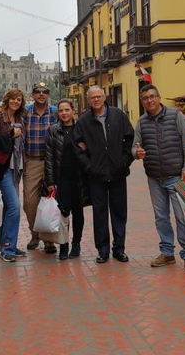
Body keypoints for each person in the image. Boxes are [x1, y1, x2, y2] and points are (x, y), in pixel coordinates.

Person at [132, 85, 185, 273]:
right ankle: (167, 252)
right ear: (142, 101)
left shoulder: (176, 116)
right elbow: (134, 147)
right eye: (145, 98)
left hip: (177, 177)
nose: (149, 100)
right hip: (154, 177)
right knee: (161, 217)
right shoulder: (142, 122)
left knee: (182, 216)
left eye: (152, 96)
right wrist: (137, 153)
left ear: (159, 98)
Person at [73, 85, 134, 264]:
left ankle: (119, 249)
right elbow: (77, 147)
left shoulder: (118, 116)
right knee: (99, 213)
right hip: (96, 175)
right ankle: (103, 249)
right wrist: (89, 167)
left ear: (104, 96)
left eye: (99, 96)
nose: (96, 100)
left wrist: (125, 161)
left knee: (119, 212)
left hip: (118, 173)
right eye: (92, 98)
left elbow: (130, 139)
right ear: (88, 100)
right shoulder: (83, 121)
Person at [0, 88, 27, 262]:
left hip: (15, 168)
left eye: (19, 99)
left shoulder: (19, 118)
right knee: (15, 207)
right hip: (2, 169)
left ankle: (8, 244)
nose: (16, 102)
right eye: (13, 99)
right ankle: (7, 248)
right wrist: (11, 133)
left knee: (10, 207)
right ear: (6, 99)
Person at [44, 99, 88, 260]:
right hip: (61, 178)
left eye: (67, 110)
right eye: (61, 111)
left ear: (73, 111)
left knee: (78, 211)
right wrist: (50, 181)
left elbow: (91, 148)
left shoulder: (81, 129)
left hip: (80, 177)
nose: (64, 113)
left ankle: (76, 243)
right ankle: (63, 244)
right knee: (63, 212)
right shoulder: (53, 130)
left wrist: (86, 147)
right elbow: (48, 158)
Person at [22, 82, 58, 253]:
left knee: (52, 200)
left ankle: (48, 240)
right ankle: (34, 233)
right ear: (32, 95)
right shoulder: (25, 112)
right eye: (38, 92)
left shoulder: (56, 112)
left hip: (53, 162)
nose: (41, 94)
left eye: (45, 91)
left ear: (48, 94)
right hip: (32, 161)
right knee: (30, 202)